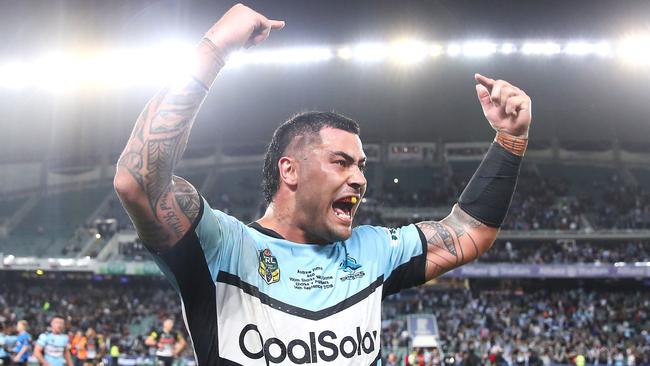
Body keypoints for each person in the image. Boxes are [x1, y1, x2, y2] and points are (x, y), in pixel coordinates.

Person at [114, 4, 532, 365]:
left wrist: (510, 141)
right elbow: (139, 182)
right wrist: (214, 50)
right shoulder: (223, 248)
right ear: (290, 171)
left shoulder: (371, 251)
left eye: (362, 166)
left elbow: (469, 232)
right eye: (341, 162)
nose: (360, 179)